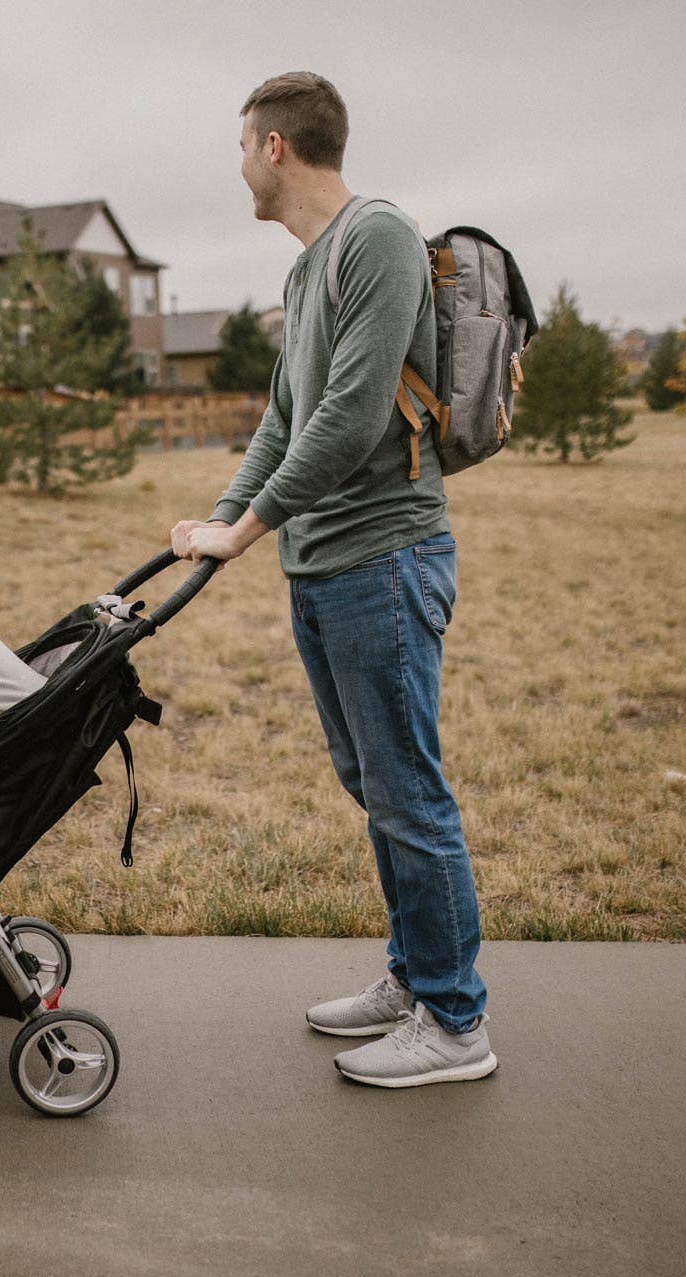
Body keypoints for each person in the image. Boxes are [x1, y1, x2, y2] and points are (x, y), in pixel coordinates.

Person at [171, 72, 495, 1087]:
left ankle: (455, 1022)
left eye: (241, 148)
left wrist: (245, 530)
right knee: (374, 786)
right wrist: (222, 519)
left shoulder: (378, 239)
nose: (238, 167)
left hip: (384, 558)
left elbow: (351, 418)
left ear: (274, 147)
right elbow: (284, 418)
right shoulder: (309, 268)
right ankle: (413, 977)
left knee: (407, 793)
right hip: (322, 565)